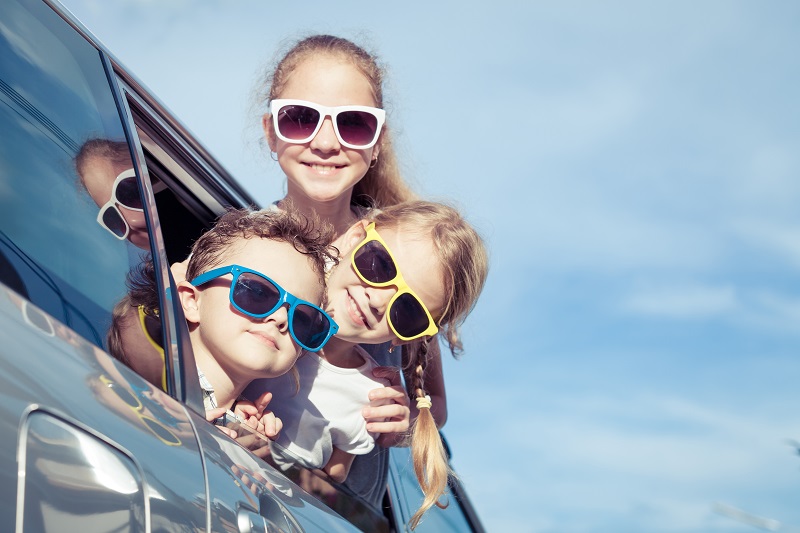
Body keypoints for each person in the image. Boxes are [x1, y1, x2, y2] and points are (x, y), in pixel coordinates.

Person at [246, 200, 489, 529]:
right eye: (380, 265)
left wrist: (283, 469)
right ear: (354, 238)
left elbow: (334, 477)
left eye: (408, 311)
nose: (377, 299)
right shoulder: (260, 308)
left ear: (408, 337)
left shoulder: (369, 396)